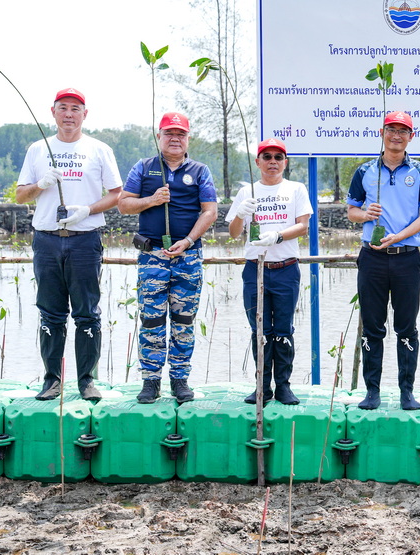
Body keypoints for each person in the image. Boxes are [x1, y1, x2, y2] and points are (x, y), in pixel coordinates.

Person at [16, 88, 123, 402]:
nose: (69, 114)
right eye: (63, 108)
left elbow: (116, 193)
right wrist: (40, 184)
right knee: (50, 314)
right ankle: (52, 381)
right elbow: (21, 194)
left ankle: (87, 381)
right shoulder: (38, 149)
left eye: (75, 108)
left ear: (85, 114)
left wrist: (87, 210)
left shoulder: (99, 149)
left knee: (87, 314)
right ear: (53, 112)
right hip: (47, 240)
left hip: (84, 240)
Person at [118, 111, 217, 404]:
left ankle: (180, 379)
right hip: (153, 257)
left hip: (187, 257)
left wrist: (188, 241)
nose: (175, 139)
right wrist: (152, 200)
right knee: (151, 319)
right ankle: (150, 380)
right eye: (169, 133)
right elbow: (123, 204)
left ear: (188, 139)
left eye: (181, 134)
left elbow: (209, 211)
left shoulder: (200, 171)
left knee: (184, 319)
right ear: (159, 137)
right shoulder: (144, 167)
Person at [346, 111, 420, 411]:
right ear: (382, 132)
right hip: (372, 258)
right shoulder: (365, 171)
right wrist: (365, 214)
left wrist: (398, 236)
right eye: (391, 129)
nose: (396, 135)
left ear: (411, 136)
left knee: (407, 327)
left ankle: (406, 391)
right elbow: (351, 211)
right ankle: (372, 391)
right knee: (372, 327)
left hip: (406, 259)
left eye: (403, 130)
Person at [227, 138, 312, 406]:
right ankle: (261, 386)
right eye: (267, 157)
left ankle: (284, 385)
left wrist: (276, 236)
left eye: (278, 157)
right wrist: (241, 214)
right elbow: (233, 233)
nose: (272, 162)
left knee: (283, 329)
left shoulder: (296, 189)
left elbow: (302, 227)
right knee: (260, 330)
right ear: (258, 162)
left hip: (286, 268)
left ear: (285, 162)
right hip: (256, 269)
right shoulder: (247, 191)